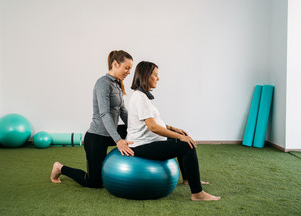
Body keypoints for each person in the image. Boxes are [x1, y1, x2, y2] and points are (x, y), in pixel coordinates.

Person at [126, 61, 221, 201]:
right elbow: (153, 127)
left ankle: (188, 179)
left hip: (149, 140)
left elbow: (153, 121)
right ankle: (197, 193)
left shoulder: (142, 96)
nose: (158, 79)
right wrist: (180, 137)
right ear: (146, 76)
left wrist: (174, 129)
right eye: (156, 75)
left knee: (182, 137)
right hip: (141, 146)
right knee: (186, 145)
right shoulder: (140, 98)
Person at [50, 50, 134, 188]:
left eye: (130, 69)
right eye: (127, 68)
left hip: (110, 134)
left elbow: (123, 111)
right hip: (97, 137)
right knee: (94, 183)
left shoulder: (117, 84)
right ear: (115, 64)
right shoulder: (103, 83)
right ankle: (60, 168)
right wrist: (118, 140)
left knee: (137, 133)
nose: (129, 72)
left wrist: (137, 128)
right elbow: (104, 113)